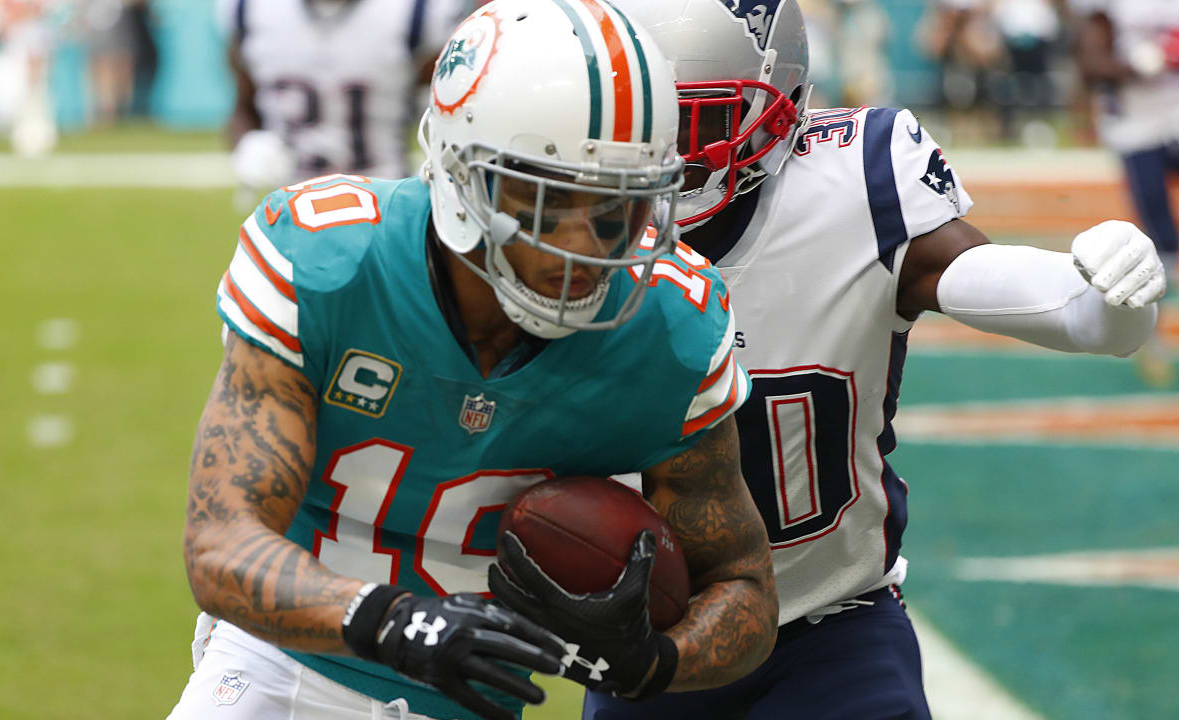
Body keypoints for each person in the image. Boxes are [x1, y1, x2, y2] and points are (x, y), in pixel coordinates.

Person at [167, 2, 778, 720]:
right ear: (461, 174)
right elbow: (218, 543)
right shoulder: (330, 262)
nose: (584, 247)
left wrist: (654, 662)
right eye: (548, 201)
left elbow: (744, 590)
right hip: (279, 667)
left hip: (471, 704)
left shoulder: (669, 330)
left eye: (616, 207)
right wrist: (393, 621)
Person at [586, 1, 1166, 718]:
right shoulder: (573, 221)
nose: (665, 158)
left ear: (778, 102)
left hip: (832, 631)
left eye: (696, 123)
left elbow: (1052, 305)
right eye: (644, 126)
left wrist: (1109, 300)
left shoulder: (856, 180)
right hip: (653, 638)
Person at [1073, 0, 1179, 386]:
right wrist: (1139, 65)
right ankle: (1148, 334)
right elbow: (1090, 62)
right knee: (1166, 252)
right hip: (1138, 132)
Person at [214, 0, 471, 192]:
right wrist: (248, 144)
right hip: (289, 207)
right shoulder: (249, 10)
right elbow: (243, 108)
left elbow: (460, 110)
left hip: (383, 200)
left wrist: (441, 160)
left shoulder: (417, 13)